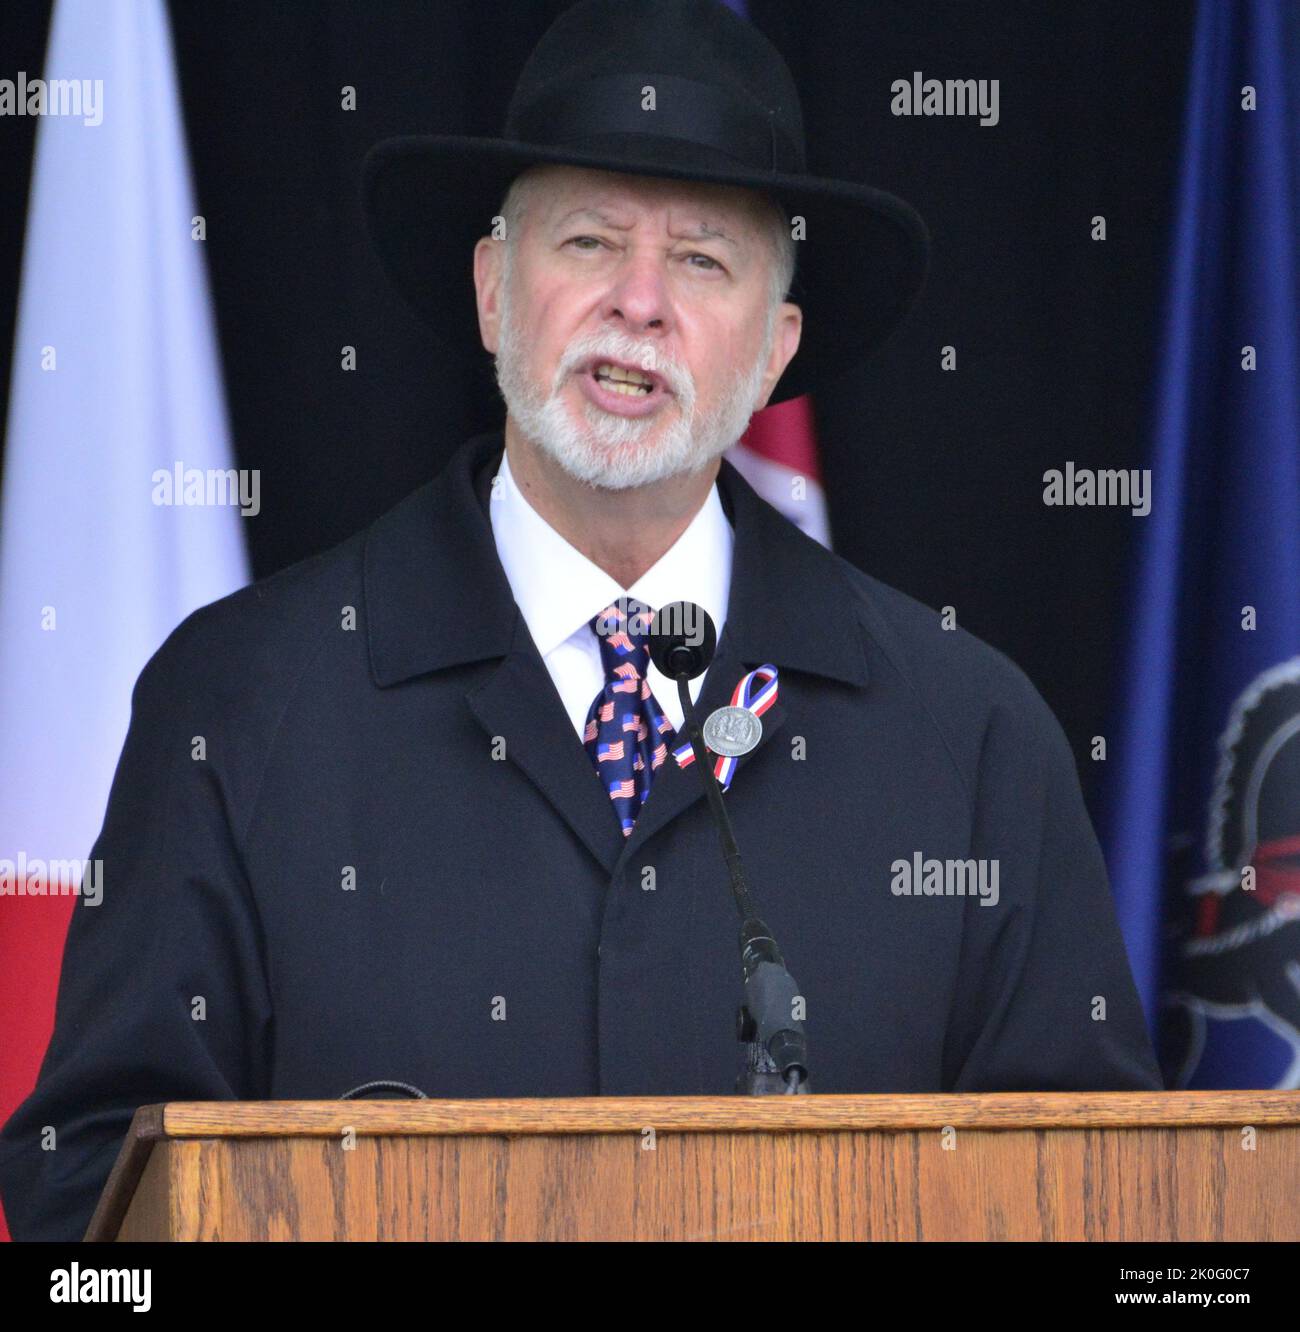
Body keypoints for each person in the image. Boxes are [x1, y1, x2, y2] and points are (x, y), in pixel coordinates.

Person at [0, 0, 1161, 1243]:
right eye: (590, 242)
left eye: (703, 260)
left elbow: (1094, 1201)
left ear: (774, 351)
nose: (640, 303)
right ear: (496, 290)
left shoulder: (970, 737)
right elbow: (87, 1197)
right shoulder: (236, 701)